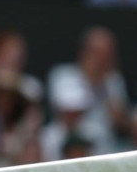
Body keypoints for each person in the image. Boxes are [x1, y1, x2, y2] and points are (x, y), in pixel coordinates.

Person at [46, 27, 128, 156]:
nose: (103, 59)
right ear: (85, 52)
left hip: (103, 147)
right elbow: (63, 114)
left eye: (108, 54)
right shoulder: (63, 74)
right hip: (66, 146)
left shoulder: (113, 80)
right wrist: (91, 79)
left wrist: (102, 84)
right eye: (99, 53)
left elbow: (119, 124)